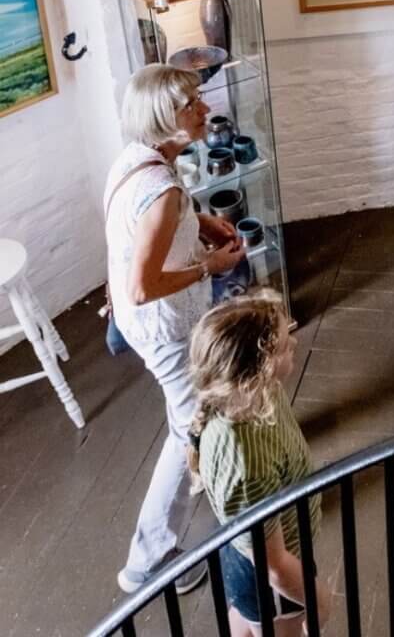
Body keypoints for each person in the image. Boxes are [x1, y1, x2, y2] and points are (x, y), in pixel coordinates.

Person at [105, 65, 246, 595]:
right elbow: (143, 287)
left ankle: (205, 470)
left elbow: (152, 221)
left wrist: (200, 222)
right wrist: (209, 266)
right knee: (188, 426)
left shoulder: (138, 159)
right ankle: (148, 558)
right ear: (164, 117)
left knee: (189, 414)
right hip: (162, 326)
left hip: (151, 321)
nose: (205, 109)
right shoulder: (160, 188)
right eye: (192, 104)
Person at [188, 292, 331, 636]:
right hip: (266, 575)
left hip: (253, 554)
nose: (294, 342)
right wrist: (318, 601)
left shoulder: (256, 395)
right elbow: (275, 567)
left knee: (248, 619)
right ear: (256, 372)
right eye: (281, 345)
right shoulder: (246, 462)